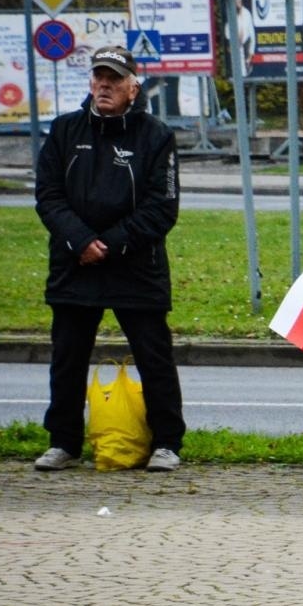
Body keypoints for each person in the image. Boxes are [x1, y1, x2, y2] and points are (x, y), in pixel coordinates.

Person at [32, 45, 186, 473]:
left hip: (136, 265)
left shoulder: (156, 136)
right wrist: (80, 240)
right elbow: (47, 195)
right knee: (67, 357)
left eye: (114, 79)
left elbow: (162, 207)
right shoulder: (64, 131)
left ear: (132, 87)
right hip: (74, 262)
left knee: (154, 356)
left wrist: (112, 243)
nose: (104, 85)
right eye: (98, 76)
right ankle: (63, 441)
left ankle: (167, 442)